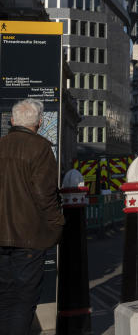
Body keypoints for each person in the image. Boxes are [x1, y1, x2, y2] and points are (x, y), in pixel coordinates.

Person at [0, 99, 64, 335]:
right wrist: (57, 225)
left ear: (13, 121)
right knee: (24, 300)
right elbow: (44, 195)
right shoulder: (40, 149)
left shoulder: (1, 144)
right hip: (28, 237)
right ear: (39, 122)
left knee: (5, 298)